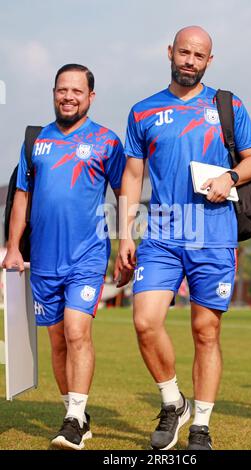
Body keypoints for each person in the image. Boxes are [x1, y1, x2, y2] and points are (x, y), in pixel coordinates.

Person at [115, 26, 251, 450]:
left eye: (199, 55)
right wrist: (125, 234)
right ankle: (171, 401)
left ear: (208, 61)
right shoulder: (143, 111)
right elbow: (133, 173)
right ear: (170, 52)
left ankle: (200, 425)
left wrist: (230, 176)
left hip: (214, 235)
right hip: (161, 235)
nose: (190, 61)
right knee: (145, 322)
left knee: (205, 331)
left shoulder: (228, 105)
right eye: (184, 52)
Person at [2, 64, 127, 450]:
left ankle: (72, 419)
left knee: (76, 331)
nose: (68, 97)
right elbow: (22, 196)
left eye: (76, 91)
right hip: (42, 260)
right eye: (62, 90)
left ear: (91, 96)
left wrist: (126, 241)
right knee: (57, 342)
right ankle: (77, 414)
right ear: (54, 93)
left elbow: (126, 191)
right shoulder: (36, 141)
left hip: (86, 257)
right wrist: (11, 247)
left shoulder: (107, 141)